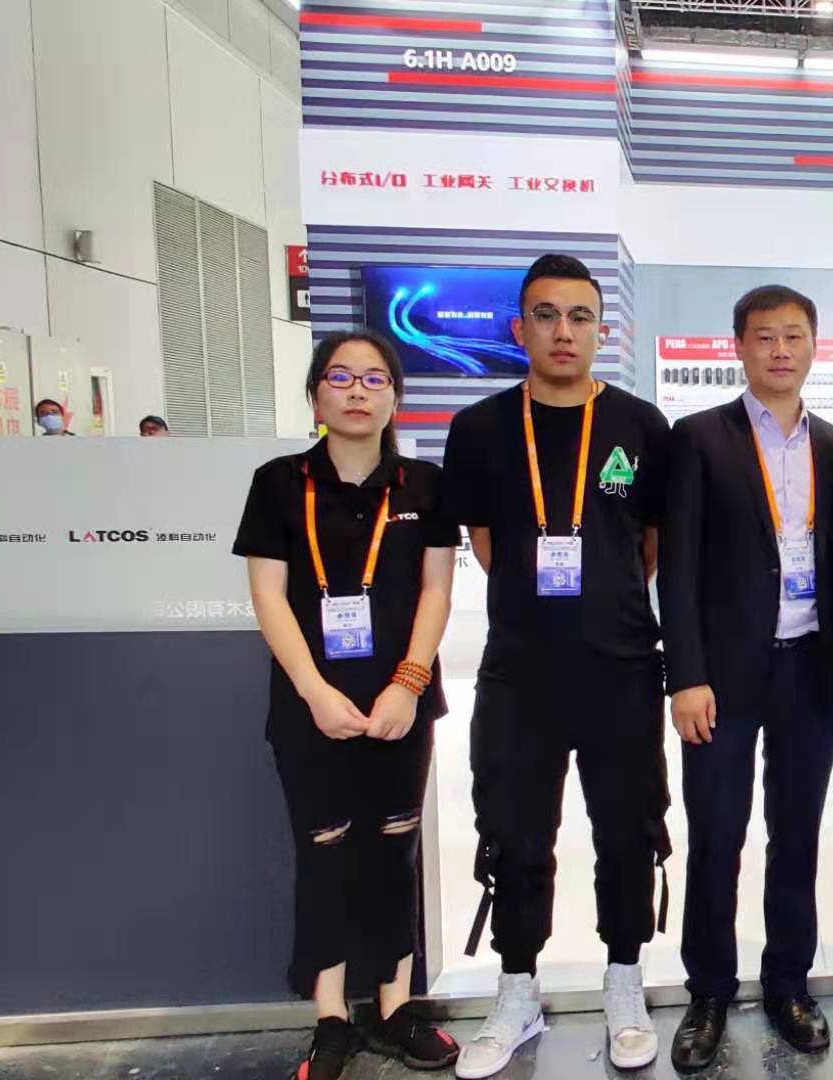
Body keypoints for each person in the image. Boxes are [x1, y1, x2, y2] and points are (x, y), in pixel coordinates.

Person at [438, 254, 676, 1077]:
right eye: (546, 315)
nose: (563, 331)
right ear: (520, 328)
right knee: (515, 833)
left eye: (579, 316)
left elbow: (648, 546)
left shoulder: (642, 426)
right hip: (520, 672)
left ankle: (624, 981)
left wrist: (599, 600)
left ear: (602, 331)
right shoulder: (480, 429)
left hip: (621, 667)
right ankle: (517, 991)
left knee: (628, 831)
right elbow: (485, 543)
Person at [233, 331, 463, 1080]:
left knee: (395, 852)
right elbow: (268, 596)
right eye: (340, 377)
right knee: (323, 852)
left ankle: (395, 1006)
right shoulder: (278, 483)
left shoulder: (424, 486)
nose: (358, 391)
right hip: (310, 705)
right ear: (315, 395)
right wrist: (315, 692)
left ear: (395, 397)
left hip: (401, 702)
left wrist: (409, 682)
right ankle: (331, 1015)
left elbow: (437, 590)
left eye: (374, 379)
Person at [659, 285, 833, 1071]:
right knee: (717, 835)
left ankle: (788, 985)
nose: (780, 350)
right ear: (738, 347)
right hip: (723, 676)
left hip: (811, 667)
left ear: (814, 346)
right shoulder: (699, 438)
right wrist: (685, 675)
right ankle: (709, 991)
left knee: (797, 834)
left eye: (794, 335)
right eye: (765, 337)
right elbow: (677, 567)